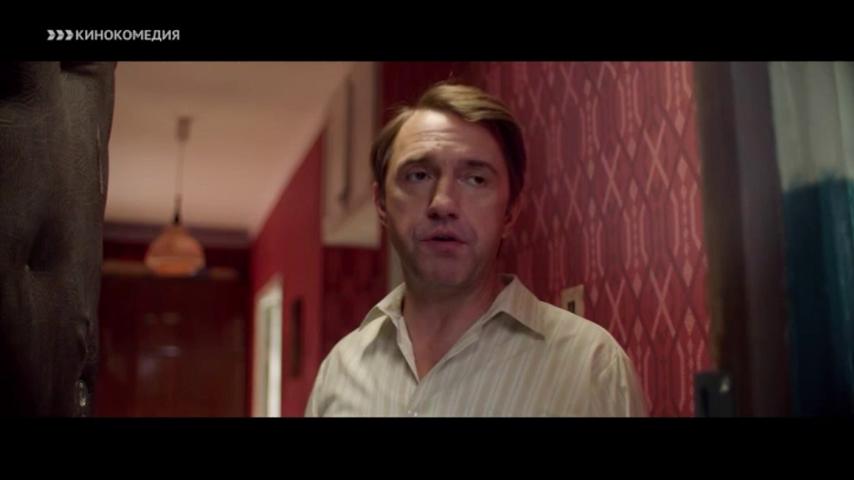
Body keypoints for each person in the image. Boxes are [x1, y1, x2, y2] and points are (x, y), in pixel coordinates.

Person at [306, 82, 646, 417]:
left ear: (509, 212)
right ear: (381, 203)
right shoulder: (339, 371)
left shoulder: (593, 368)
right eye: (419, 175)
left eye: (475, 179)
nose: (443, 203)